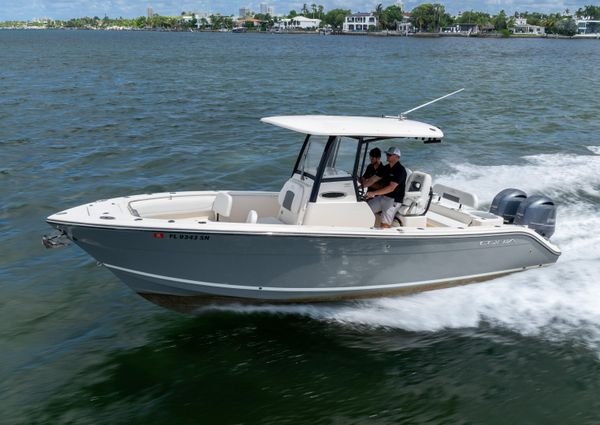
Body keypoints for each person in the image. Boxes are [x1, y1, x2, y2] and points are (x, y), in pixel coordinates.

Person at [362, 146, 407, 228]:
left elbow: (391, 188)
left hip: (394, 201)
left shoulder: (400, 170)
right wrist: (359, 186)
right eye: (387, 154)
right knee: (364, 210)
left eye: (389, 155)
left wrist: (373, 193)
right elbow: (372, 180)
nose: (387, 155)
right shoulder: (386, 168)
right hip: (383, 197)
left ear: (397, 157)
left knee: (384, 224)